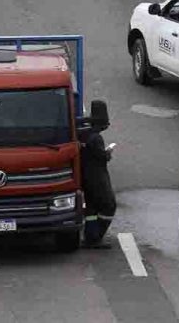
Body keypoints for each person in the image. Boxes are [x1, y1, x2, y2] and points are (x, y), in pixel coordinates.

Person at [79, 101, 117, 248]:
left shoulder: (83, 134)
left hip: (86, 178)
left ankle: (90, 236)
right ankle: (96, 236)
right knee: (108, 205)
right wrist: (108, 153)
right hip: (97, 178)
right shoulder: (96, 138)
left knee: (91, 208)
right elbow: (101, 156)